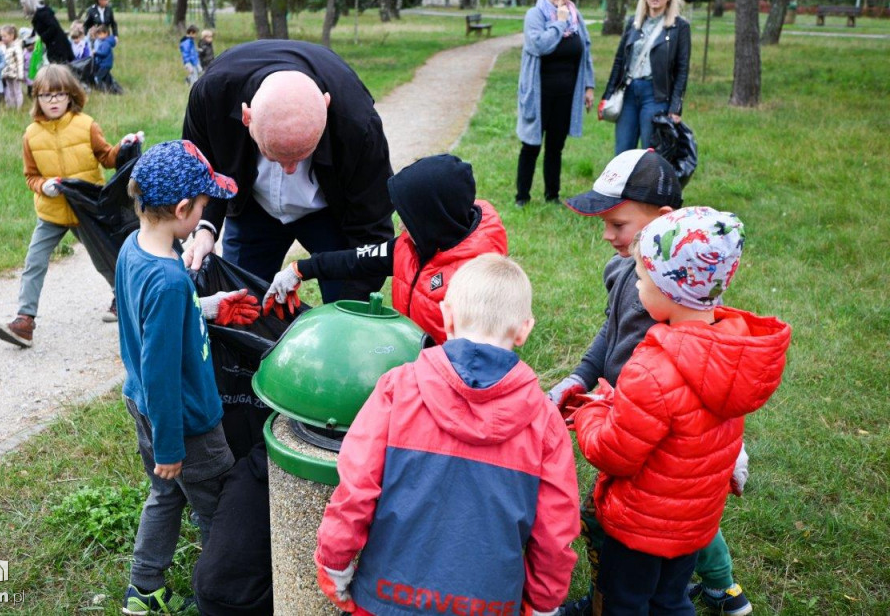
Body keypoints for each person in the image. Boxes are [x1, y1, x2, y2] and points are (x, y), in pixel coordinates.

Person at [315, 253, 580, 616]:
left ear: (447, 314)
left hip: (386, 600)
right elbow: (556, 531)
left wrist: (335, 563)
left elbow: (355, 489)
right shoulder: (546, 421)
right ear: (524, 329)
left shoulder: (398, 389)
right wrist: (544, 603)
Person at [551, 149, 754, 616]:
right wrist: (581, 376)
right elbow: (611, 330)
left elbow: (621, 444)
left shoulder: (663, 295)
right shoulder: (642, 277)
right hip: (644, 431)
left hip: (642, 450)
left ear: (661, 220)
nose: (607, 236)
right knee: (673, 569)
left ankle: (612, 602)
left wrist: (595, 408)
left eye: (618, 225)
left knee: (623, 541)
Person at [571, 206, 791, 615]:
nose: (635, 287)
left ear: (670, 289)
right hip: (694, 524)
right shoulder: (731, 355)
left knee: (625, 602)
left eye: (640, 278)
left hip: (640, 527)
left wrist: (592, 412)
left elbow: (613, 454)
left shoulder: (650, 368)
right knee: (671, 601)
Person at [116, 139, 261, 615]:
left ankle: (144, 587)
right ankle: (219, 593)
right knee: (218, 510)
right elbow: (162, 372)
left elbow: (150, 326)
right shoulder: (170, 279)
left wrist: (206, 308)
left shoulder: (133, 249)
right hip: (188, 423)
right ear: (182, 209)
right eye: (201, 205)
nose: (204, 212)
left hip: (143, 408)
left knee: (165, 494)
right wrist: (173, 447)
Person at [182, 39, 395, 303]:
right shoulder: (212, 95)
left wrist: (347, 313)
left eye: (302, 155)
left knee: (346, 306)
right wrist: (206, 228)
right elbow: (201, 168)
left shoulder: (358, 124)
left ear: (326, 108)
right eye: (275, 156)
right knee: (240, 303)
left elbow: (372, 229)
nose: (291, 170)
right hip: (253, 208)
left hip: (330, 214)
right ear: (247, 117)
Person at [262, 154, 507, 343]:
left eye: (408, 219)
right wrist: (299, 270)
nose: (400, 226)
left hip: (449, 379)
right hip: (415, 358)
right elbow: (358, 260)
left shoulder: (478, 277)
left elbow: (480, 356)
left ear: (434, 219)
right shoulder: (411, 246)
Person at [0, 64, 140, 348]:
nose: (54, 101)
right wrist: (42, 185)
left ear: (71, 95)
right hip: (52, 211)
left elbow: (107, 157)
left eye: (59, 95)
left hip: (87, 209)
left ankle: (123, 300)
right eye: (46, 96)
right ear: (37, 99)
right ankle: (24, 321)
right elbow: (30, 176)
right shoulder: (31, 134)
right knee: (34, 261)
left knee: (105, 259)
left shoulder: (86, 125)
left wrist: (125, 145)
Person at [515, 0, 595, 207]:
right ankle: (522, 196)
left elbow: (585, 51)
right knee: (531, 146)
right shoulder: (535, 15)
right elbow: (540, 45)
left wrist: (588, 87)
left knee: (555, 147)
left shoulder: (575, 15)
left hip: (566, 94)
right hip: (539, 94)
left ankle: (552, 195)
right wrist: (560, 24)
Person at [601, 0, 691, 154]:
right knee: (622, 152)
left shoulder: (680, 27)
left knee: (651, 154)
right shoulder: (634, 23)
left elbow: (682, 70)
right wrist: (607, 95)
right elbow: (619, 60)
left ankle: (647, 185)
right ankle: (625, 184)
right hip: (629, 92)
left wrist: (675, 107)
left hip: (656, 96)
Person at [21, 0, 73, 65]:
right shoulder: (38, 15)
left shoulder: (43, 14)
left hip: (58, 47)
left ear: (28, 5)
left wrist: (40, 38)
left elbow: (53, 27)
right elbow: (37, 30)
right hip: (52, 46)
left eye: (23, 6)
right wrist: (28, 40)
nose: (23, 8)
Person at [0, 24, 25, 111]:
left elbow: (20, 61)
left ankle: (18, 107)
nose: (3, 38)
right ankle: (10, 105)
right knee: (9, 90)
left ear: (11, 36)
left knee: (17, 90)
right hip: (7, 73)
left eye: (4, 36)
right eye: (1, 36)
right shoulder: (3, 48)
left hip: (15, 73)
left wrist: (20, 74)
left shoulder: (16, 47)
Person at [91, 24, 117, 92]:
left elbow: (104, 53)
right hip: (106, 64)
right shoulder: (105, 42)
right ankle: (111, 89)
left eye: (100, 34)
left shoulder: (106, 43)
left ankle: (101, 90)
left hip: (104, 65)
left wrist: (95, 52)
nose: (99, 36)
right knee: (106, 78)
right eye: (98, 34)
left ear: (106, 33)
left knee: (97, 77)